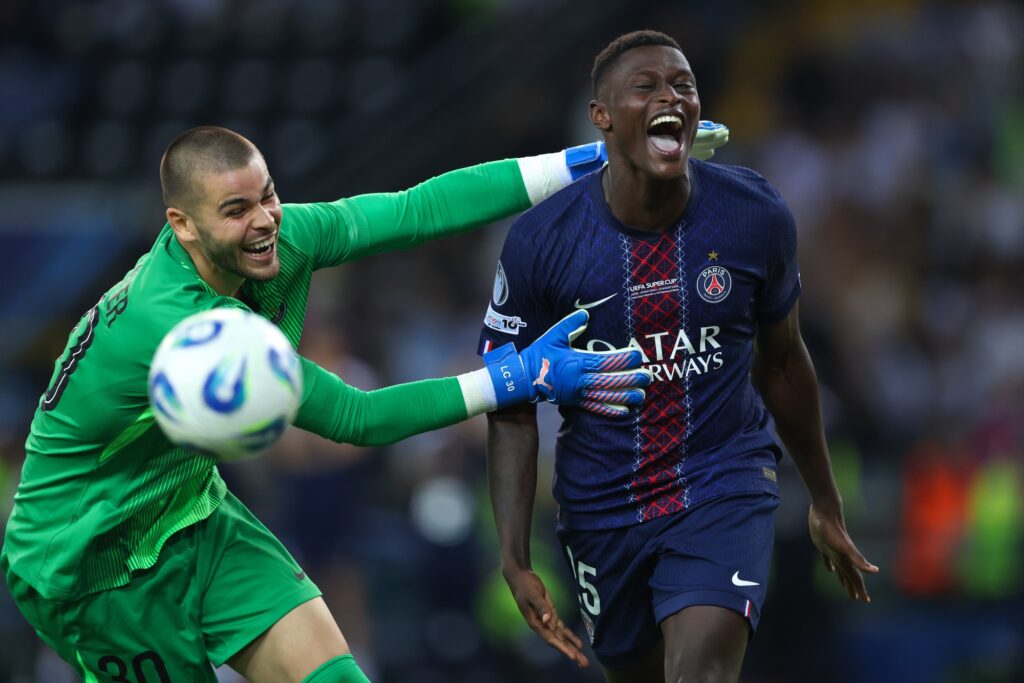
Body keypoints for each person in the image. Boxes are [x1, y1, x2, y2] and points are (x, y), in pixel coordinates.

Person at [0, 125, 680, 683]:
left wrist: (586, 163)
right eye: (235, 211)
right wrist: (515, 377)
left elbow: (416, 210)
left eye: (267, 196)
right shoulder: (184, 327)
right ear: (182, 225)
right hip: (91, 565)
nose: (264, 222)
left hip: (191, 513)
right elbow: (359, 417)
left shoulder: (280, 236)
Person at [480, 30, 879, 682]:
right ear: (602, 116)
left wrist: (825, 500)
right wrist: (514, 555)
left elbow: (783, 362)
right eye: (647, 87)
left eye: (684, 86)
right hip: (602, 506)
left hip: (724, 483)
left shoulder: (752, 214)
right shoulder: (540, 242)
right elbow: (511, 403)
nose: (671, 97)